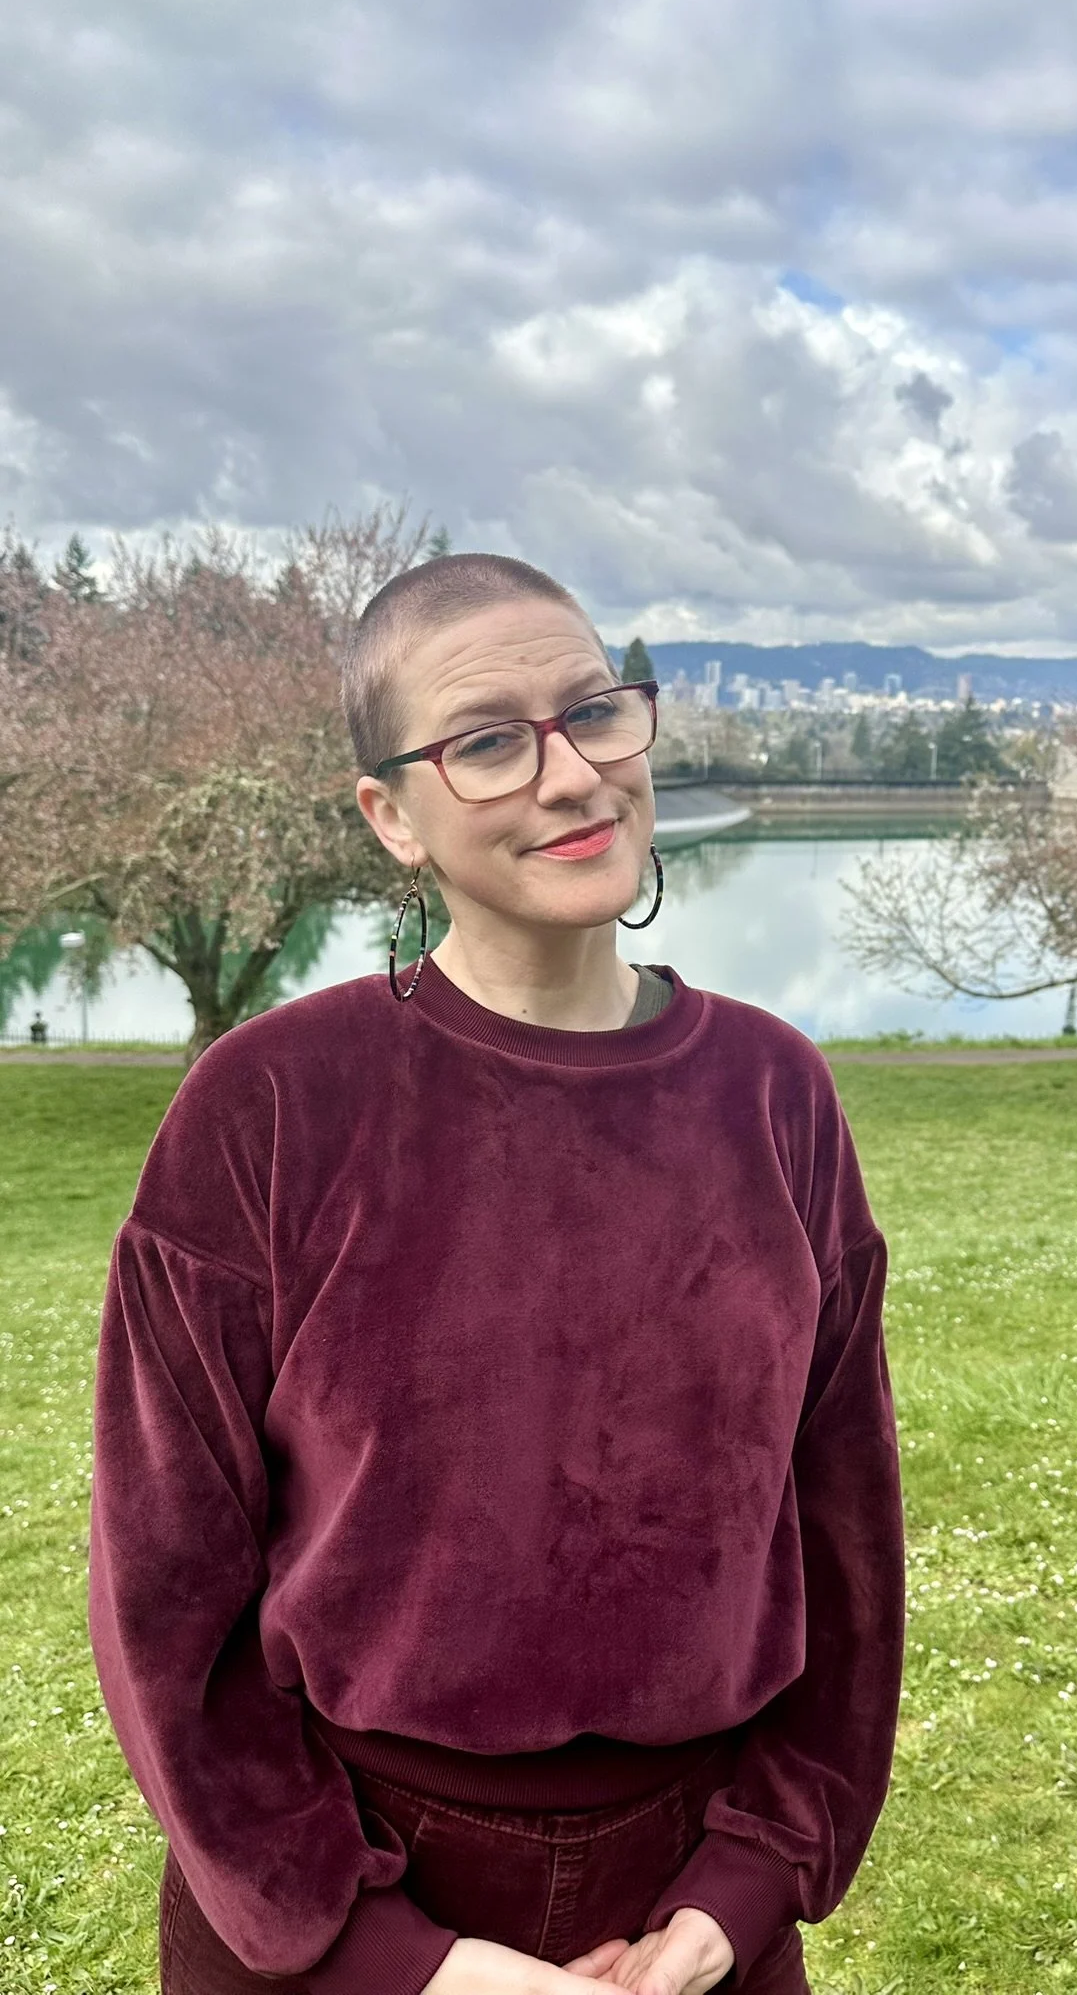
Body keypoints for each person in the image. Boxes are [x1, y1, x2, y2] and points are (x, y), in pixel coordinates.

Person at [87, 554, 905, 1995]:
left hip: (689, 1912)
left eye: (592, 711)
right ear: (391, 816)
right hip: (340, 1898)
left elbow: (845, 1534)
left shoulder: (775, 1093)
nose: (572, 775)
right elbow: (165, 1593)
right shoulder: (268, 1106)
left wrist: (748, 1881)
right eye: (486, 742)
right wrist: (398, 1956)